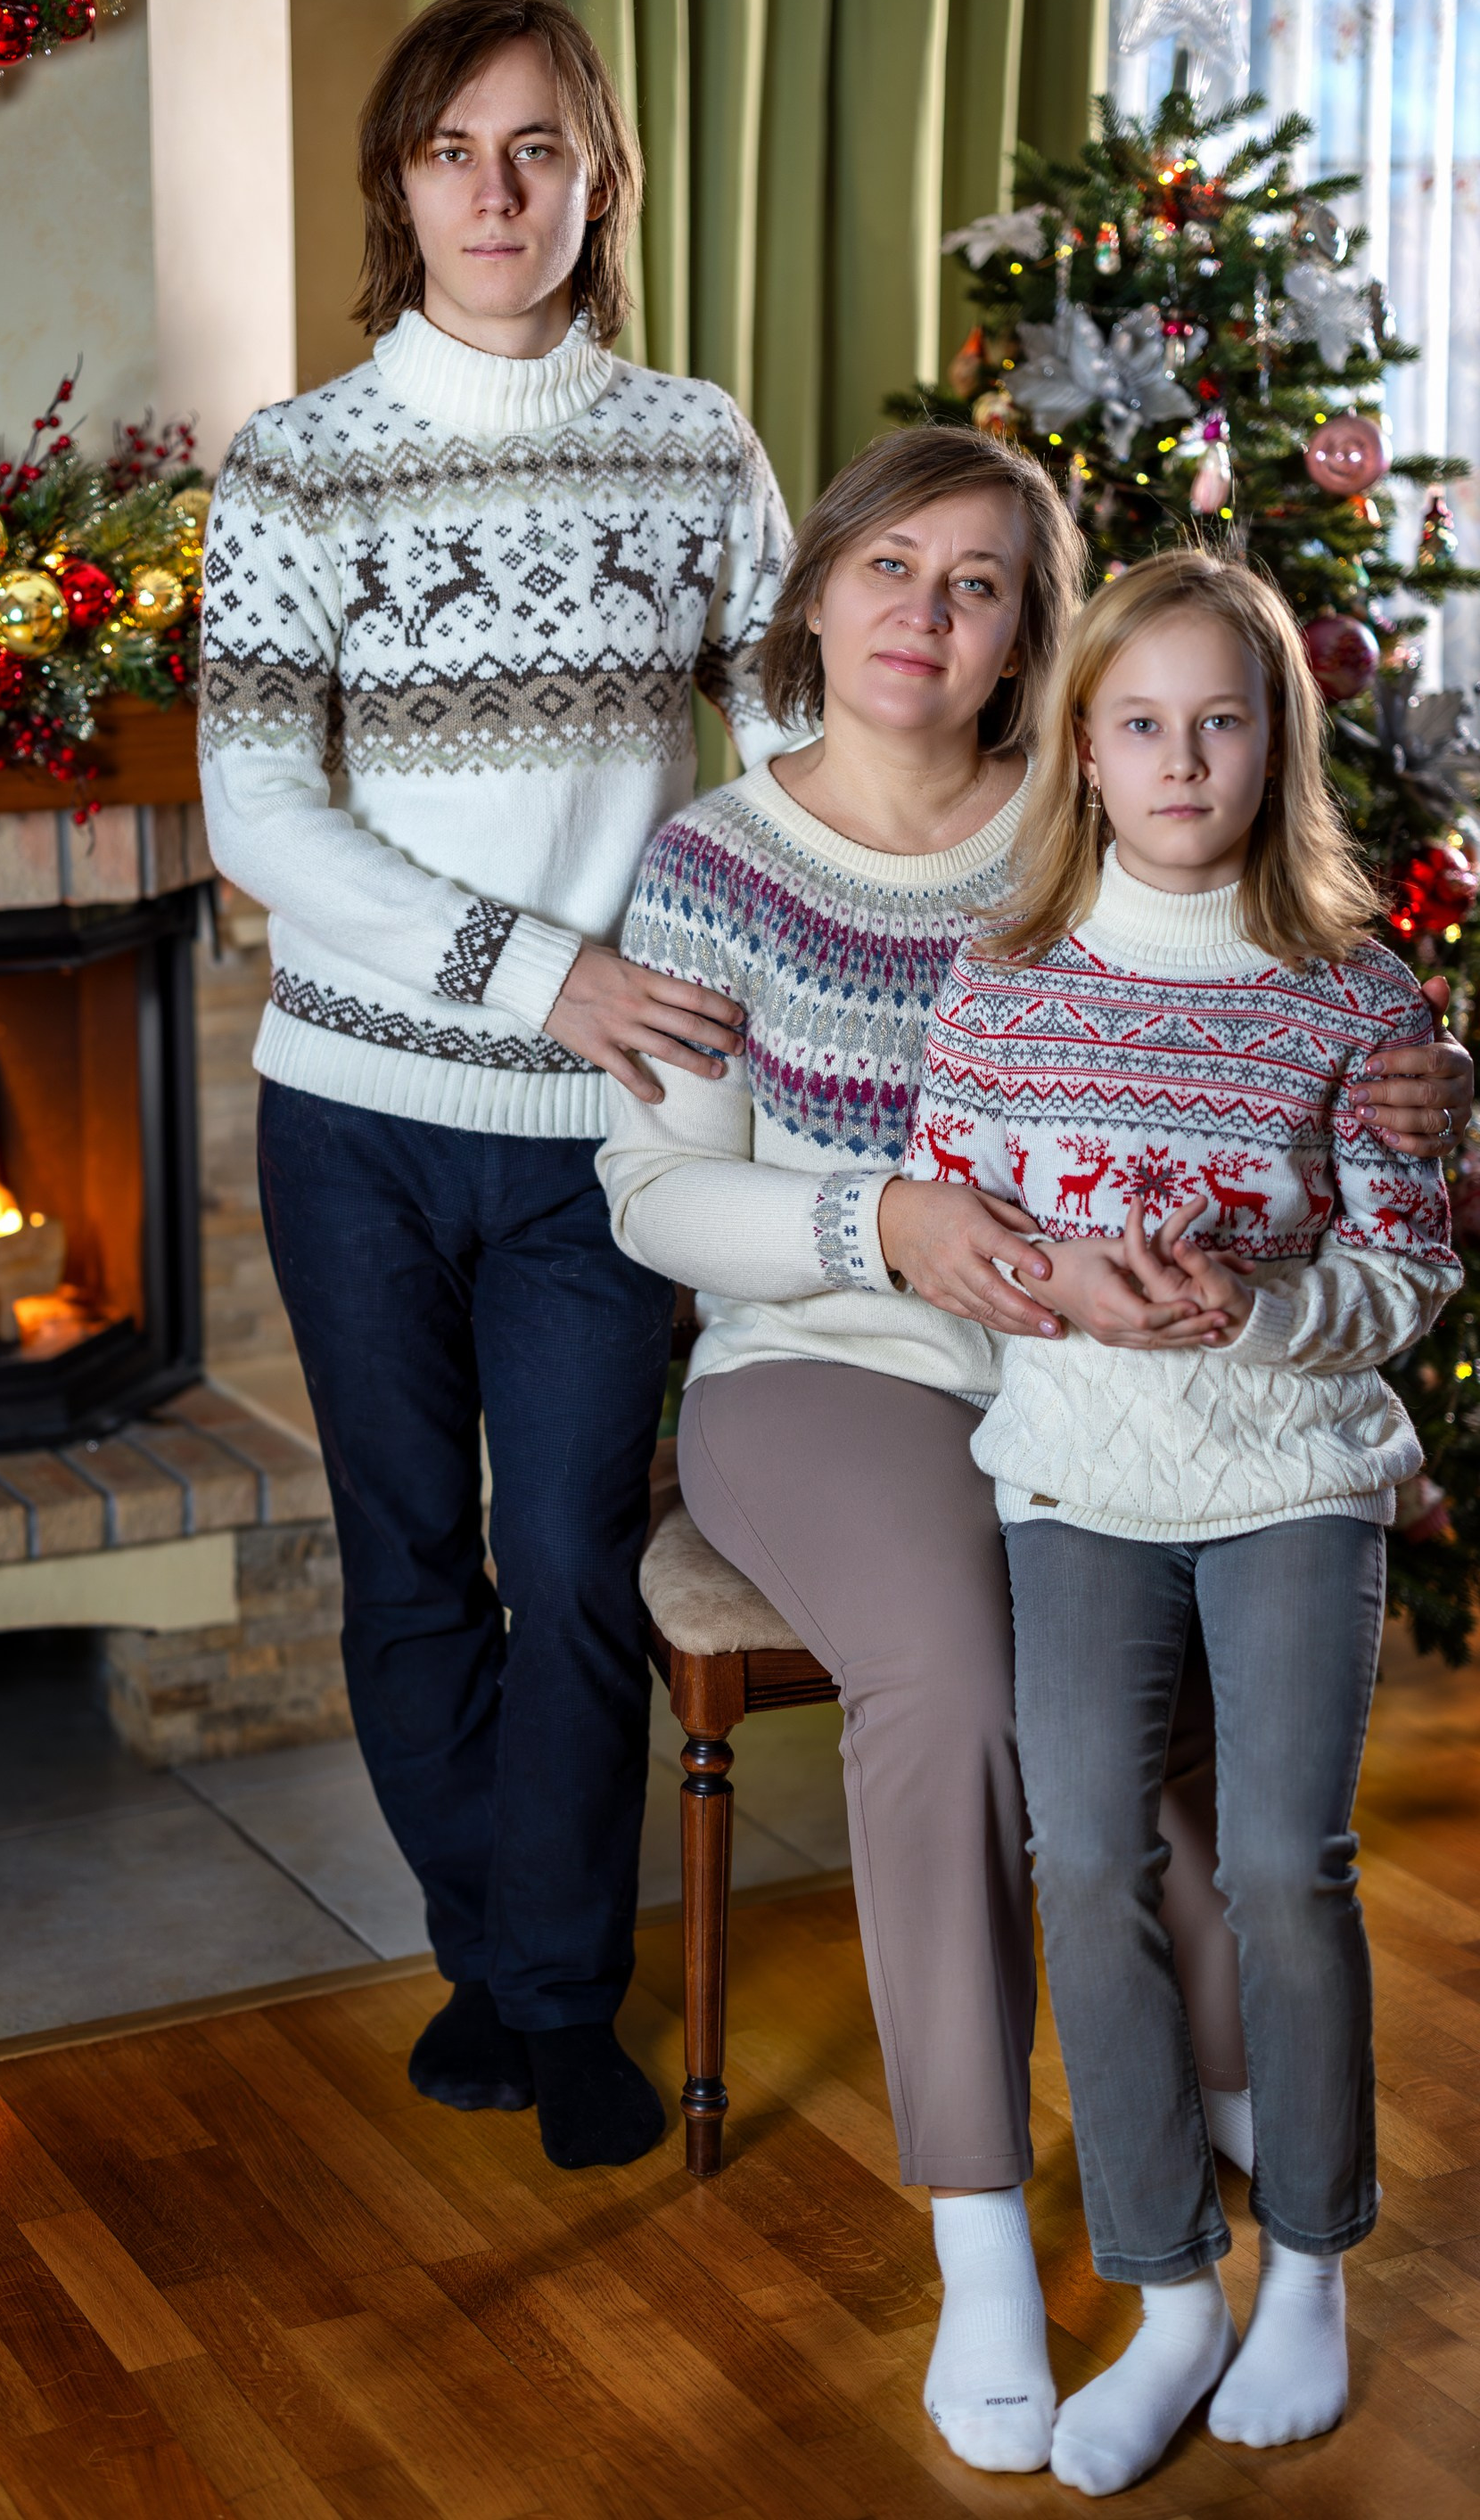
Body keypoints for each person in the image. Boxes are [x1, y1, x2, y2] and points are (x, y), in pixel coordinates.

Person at [596, 428, 1473, 2475]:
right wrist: (880, 1223)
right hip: (831, 1357)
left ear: (1036, 653)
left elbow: (1298, 997)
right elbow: (651, 1191)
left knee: (1154, 1732)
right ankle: (985, 2230)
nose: (927, 611)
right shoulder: (718, 861)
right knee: (976, 1685)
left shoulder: (1093, 811)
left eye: (981, 582)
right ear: (814, 595)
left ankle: (1246, 2099)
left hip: (1120, 1381)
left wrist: (1429, 1083)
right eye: (890, 566)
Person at [196, 0, 790, 2170]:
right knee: (407, 1563)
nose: (495, 190)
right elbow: (259, 814)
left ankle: (551, 1986)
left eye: (538, 146)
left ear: (598, 182)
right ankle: (510, 1964)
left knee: (568, 1551)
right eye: (454, 148)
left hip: (605, 1139)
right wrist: (535, 969)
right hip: (356, 1113)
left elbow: (798, 753)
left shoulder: (696, 439)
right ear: (399, 186)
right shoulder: (298, 464)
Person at [906, 549, 1461, 2494]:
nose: (1179, 756)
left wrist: (1262, 1307)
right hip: (1079, 1479)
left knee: (1285, 1868)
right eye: (1138, 721)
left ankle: (1308, 2261)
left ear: (1273, 742)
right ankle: (1169, 2291)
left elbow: (1406, 1273)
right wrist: (1060, 1285)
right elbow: (948, 1232)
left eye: (1220, 720)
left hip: (1292, 1477)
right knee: (1080, 1862)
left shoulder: (1353, 993)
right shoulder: (999, 979)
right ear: (1081, 745)